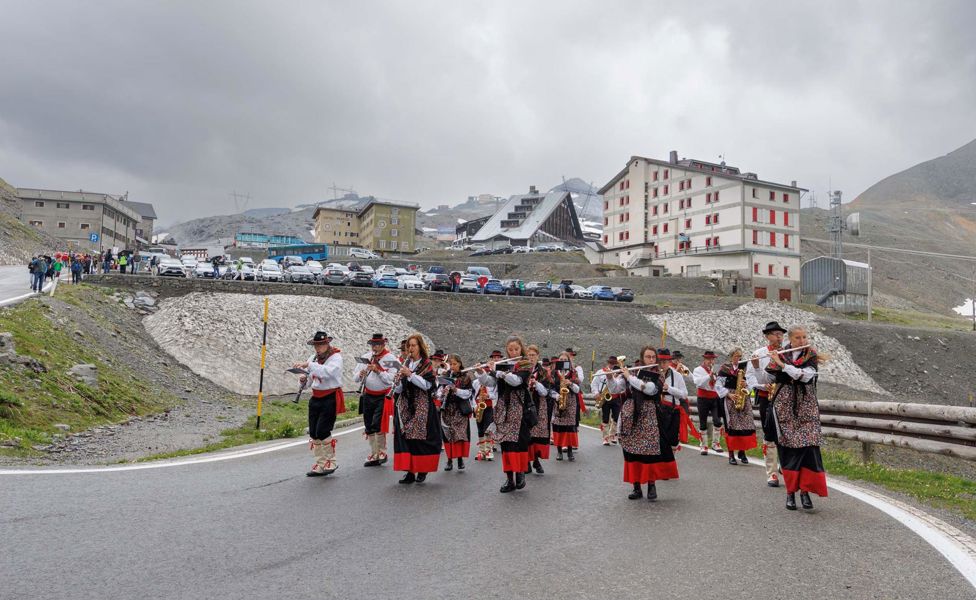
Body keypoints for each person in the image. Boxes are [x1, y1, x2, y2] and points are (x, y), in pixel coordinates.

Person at [768, 326, 826, 511]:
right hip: (784, 406)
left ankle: (805, 491)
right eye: (798, 338)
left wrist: (784, 365)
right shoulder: (781, 354)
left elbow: (804, 376)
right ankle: (790, 493)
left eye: (804, 337)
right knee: (788, 449)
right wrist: (757, 365)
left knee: (808, 447)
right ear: (790, 340)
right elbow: (768, 378)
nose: (802, 341)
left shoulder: (810, 356)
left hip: (806, 406)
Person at [619, 346, 679, 501]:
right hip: (631, 415)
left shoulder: (658, 375)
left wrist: (629, 377)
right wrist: (613, 378)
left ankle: (651, 485)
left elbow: (649, 389)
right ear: (642, 357)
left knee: (650, 450)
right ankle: (636, 487)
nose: (651, 360)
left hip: (649, 415)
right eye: (648, 357)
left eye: (653, 357)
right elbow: (617, 389)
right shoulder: (632, 370)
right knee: (632, 450)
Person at [294, 331, 345, 477]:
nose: (318, 348)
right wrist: (303, 380)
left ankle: (331, 461)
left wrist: (310, 365)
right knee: (314, 432)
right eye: (316, 345)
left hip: (330, 396)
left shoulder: (336, 357)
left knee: (323, 430)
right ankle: (320, 463)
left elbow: (328, 373)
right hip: (316, 397)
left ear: (327, 343)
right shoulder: (313, 358)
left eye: (321, 344)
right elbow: (310, 381)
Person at [486, 336, 533, 493]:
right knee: (505, 443)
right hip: (503, 408)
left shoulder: (525, 363)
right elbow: (491, 383)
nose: (513, 352)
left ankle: (520, 473)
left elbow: (517, 381)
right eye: (510, 349)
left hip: (518, 408)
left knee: (518, 442)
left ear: (521, 349)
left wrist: (500, 373)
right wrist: (483, 373)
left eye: (516, 349)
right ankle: (509, 479)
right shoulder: (503, 364)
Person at [393, 333, 440, 484]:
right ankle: (410, 471)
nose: (410, 348)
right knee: (406, 437)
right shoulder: (405, 364)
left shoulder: (427, 364)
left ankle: (422, 469)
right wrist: (397, 382)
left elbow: (427, 385)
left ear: (420, 347)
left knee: (419, 438)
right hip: (406, 404)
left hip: (422, 405)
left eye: (413, 345)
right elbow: (400, 389)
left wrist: (410, 375)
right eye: (409, 346)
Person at [747, 321, 786, 487]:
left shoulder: (787, 352)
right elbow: (750, 377)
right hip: (766, 397)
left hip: (784, 397)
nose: (779, 337)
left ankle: (785, 463)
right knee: (769, 433)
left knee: (786, 432)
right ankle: (771, 473)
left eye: (780, 334)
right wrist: (762, 385)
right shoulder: (759, 353)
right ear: (767, 336)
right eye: (775, 334)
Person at [353, 333, 398, 467]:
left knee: (377, 423)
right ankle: (374, 453)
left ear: (384, 344)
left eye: (378, 344)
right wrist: (360, 375)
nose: (375, 347)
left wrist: (378, 370)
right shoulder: (366, 357)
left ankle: (382, 452)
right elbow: (354, 377)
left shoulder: (391, 359)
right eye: (373, 344)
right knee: (368, 424)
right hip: (368, 394)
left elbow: (391, 380)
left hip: (382, 396)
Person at [718, 349, 756, 465]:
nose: (738, 359)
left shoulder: (744, 368)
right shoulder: (724, 368)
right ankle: (731, 454)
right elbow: (718, 385)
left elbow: (752, 383)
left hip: (743, 397)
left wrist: (747, 385)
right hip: (730, 397)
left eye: (740, 356)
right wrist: (728, 394)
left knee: (745, 425)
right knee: (732, 426)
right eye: (736, 356)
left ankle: (742, 452)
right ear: (731, 357)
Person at [440, 354, 474, 472]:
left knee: (459, 435)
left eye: (455, 364)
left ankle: (460, 459)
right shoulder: (445, 375)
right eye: (451, 364)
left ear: (460, 364)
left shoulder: (466, 377)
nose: (452, 366)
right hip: (447, 408)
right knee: (448, 434)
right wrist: (442, 392)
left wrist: (456, 390)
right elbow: (438, 392)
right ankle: (449, 460)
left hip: (460, 409)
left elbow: (469, 393)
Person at [525, 345, 552, 475]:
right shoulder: (522, 369)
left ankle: (535, 460)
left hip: (539, 405)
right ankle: (528, 461)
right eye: (528, 355)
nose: (530, 358)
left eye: (533, 355)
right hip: (524, 404)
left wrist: (536, 383)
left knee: (537, 434)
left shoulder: (542, 372)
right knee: (526, 434)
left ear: (537, 356)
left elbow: (545, 391)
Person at [551, 351, 583, 462]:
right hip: (558, 400)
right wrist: (556, 396)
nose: (563, 362)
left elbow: (578, 390)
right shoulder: (554, 373)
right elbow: (550, 389)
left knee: (570, 427)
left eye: (565, 360)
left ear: (569, 361)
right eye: (561, 360)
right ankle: (559, 451)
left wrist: (570, 383)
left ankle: (569, 451)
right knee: (558, 427)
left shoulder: (573, 372)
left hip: (571, 401)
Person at [692, 351, 725, 455]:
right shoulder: (698, 370)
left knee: (717, 421)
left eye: (712, 359)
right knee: (703, 422)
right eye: (709, 359)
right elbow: (698, 383)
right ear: (704, 359)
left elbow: (719, 384)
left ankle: (716, 443)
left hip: (715, 398)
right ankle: (703, 445)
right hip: (703, 398)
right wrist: (709, 376)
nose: (711, 361)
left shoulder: (715, 370)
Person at [591, 356, 626, 446]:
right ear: (608, 363)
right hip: (605, 397)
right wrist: (596, 393)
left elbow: (621, 386)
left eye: (614, 364)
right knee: (605, 417)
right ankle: (605, 437)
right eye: (610, 363)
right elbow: (594, 384)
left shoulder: (620, 373)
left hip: (616, 397)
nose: (612, 365)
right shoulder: (601, 372)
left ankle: (612, 435)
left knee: (616, 417)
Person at [473, 349, 501, 461]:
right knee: (480, 430)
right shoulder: (475, 383)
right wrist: (474, 407)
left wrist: (488, 395)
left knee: (487, 429)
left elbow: (495, 395)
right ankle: (481, 450)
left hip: (489, 406)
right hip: (478, 407)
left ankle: (489, 450)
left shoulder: (490, 382)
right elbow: (472, 396)